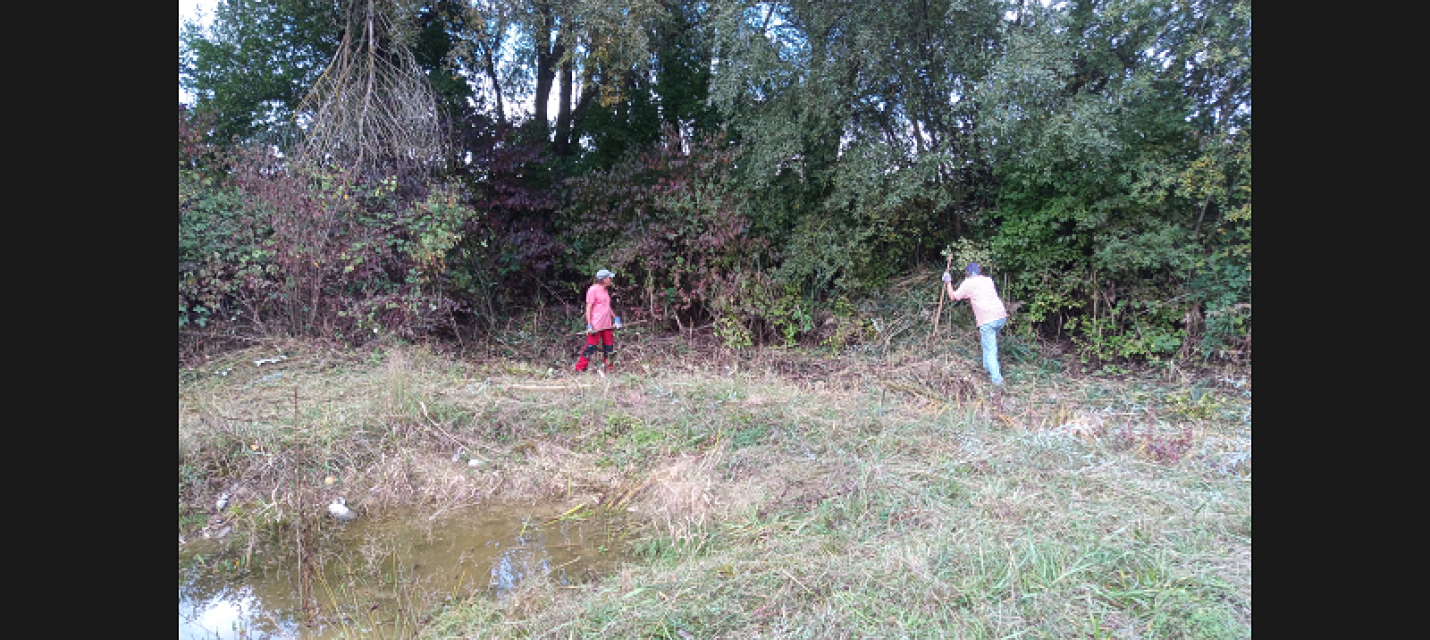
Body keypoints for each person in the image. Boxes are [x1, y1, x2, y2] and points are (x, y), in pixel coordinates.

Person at [944, 263, 1009, 386]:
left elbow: (953, 297)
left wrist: (948, 282)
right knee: (988, 344)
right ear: (980, 271)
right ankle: (987, 368)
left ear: (968, 273)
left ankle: (997, 381)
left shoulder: (968, 283)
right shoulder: (988, 280)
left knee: (990, 349)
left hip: (987, 320)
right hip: (1001, 317)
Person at [574, 269, 622, 373]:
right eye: (609, 278)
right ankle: (580, 368)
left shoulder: (605, 290)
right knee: (590, 347)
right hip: (596, 325)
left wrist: (616, 318)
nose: (611, 279)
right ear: (603, 279)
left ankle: (609, 369)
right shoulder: (593, 290)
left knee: (609, 348)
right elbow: (588, 308)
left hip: (607, 325)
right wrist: (589, 324)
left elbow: (607, 307)